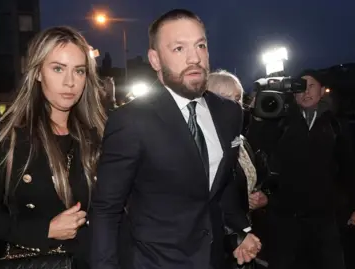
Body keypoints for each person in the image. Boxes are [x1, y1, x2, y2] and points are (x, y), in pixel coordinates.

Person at [90, 9, 261, 269]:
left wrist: (239, 231)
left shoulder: (229, 112)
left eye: (200, 45)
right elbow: (106, 209)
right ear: (155, 60)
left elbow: (219, 185)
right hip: (152, 262)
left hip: (214, 259)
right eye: (179, 49)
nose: (195, 58)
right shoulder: (131, 120)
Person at [0, 26, 106, 269]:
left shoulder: (97, 135)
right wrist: (45, 230)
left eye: (79, 71)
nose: (69, 82)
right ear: (38, 72)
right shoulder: (9, 135)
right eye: (58, 68)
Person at [246, 69, 355, 269]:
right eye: (300, 87)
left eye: (312, 86)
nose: (306, 91)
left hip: (325, 218)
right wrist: (259, 117)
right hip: (284, 218)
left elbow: (351, 167)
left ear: (322, 91)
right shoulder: (279, 121)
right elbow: (254, 149)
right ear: (293, 93)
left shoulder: (335, 125)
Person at [207, 70, 270, 269]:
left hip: (247, 234)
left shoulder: (242, 141)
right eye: (226, 99)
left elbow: (263, 177)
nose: (235, 107)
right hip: (218, 244)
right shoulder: (202, 146)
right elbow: (207, 202)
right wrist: (236, 237)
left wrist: (263, 196)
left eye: (238, 99)